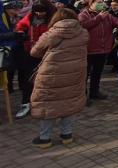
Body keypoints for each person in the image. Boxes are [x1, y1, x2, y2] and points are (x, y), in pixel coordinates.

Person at [30, 8, 88, 148]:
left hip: (52, 74)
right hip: (75, 72)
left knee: (48, 104)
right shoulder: (83, 33)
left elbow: (35, 52)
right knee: (69, 101)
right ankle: (66, 134)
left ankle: (45, 138)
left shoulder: (51, 33)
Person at [78, 0, 118, 101]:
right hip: (89, 49)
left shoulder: (107, 15)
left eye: (102, 2)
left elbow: (117, 22)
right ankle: (83, 95)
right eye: (98, 2)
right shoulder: (84, 14)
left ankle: (94, 92)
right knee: (84, 75)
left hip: (103, 49)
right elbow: (83, 25)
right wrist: (99, 18)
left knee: (97, 73)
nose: (101, 4)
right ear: (91, 4)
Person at [14, 0, 56, 119]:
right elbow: (19, 26)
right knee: (29, 79)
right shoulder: (30, 17)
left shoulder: (53, 19)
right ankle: (26, 103)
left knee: (46, 79)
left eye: (42, 12)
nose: (39, 14)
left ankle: (44, 102)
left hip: (47, 53)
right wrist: (21, 33)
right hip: (30, 52)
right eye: (37, 12)